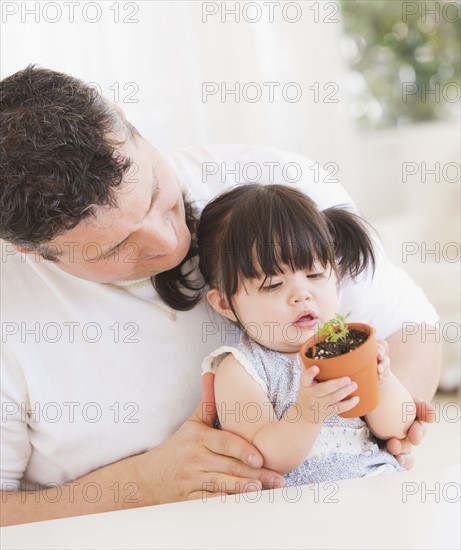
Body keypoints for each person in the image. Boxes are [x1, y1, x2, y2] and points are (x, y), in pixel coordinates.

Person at [0, 65, 441, 526]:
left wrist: (390, 418)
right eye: (115, 247)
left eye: (155, 193)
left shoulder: (275, 184)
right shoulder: (12, 309)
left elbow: (410, 327)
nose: (168, 242)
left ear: (126, 120)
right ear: (31, 251)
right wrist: (136, 487)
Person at [197, 184, 414, 484]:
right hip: (298, 512)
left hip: (376, 484)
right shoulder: (241, 369)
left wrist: (383, 380)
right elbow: (263, 459)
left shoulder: (347, 346)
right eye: (273, 285)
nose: (302, 294)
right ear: (225, 304)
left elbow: (396, 429)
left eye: (314, 275)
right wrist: (307, 413)